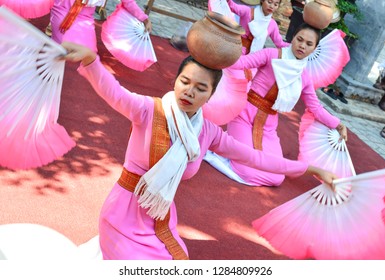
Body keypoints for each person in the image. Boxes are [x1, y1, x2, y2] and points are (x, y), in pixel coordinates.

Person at [61, 41, 338, 260]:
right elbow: (114, 92)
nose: (189, 91)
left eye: (200, 88)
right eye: (185, 81)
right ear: (176, 80)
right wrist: (91, 60)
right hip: (122, 215)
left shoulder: (208, 133)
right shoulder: (148, 110)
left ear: (211, 94)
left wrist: (309, 168)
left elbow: (257, 158)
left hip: (160, 216)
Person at [205, 23, 348, 187]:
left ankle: (232, 148)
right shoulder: (271, 54)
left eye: (309, 44)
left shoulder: (305, 77)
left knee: (277, 178)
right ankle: (222, 148)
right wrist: (213, 52)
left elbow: (315, 107)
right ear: (292, 38)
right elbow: (240, 63)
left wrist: (338, 124)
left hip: (268, 127)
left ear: (315, 49)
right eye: (299, 39)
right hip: (243, 115)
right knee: (245, 170)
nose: (302, 46)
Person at [50, 0, 152, 53]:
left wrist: (144, 18)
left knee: (89, 52)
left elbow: (128, 2)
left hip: (85, 16)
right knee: (59, 47)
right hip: (64, 8)